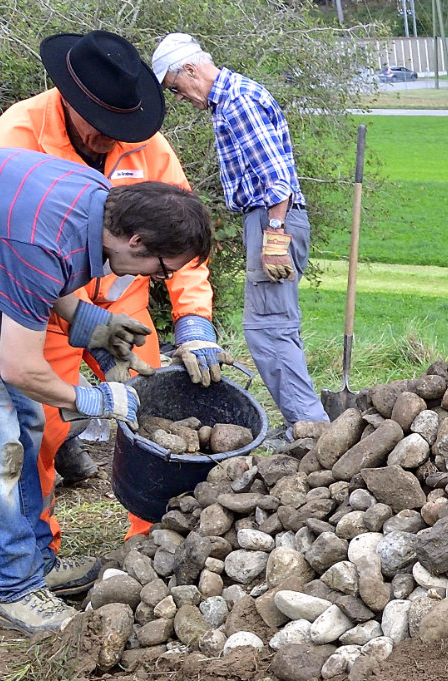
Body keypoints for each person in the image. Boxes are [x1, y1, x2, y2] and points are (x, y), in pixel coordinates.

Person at [0, 148, 213, 636]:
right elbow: (19, 366)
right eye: (160, 267)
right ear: (135, 239)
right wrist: (96, 400)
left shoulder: (98, 207)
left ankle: (36, 564)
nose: (155, 278)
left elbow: (40, 270)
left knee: (26, 420)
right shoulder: (42, 235)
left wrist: (90, 322)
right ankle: (12, 591)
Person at [0, 30, 229, 547]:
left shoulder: (148, 145)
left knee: (157, 408)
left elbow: (182, 237)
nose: (111, 138)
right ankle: (38, 548)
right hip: (47, 309)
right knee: (41, 429)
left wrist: (194, 320)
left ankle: (154, 534)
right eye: (101, 127)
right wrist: (79, 329)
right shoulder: (17, 136)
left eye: (123, 127)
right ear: (67, 101)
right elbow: (14, 249)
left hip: (124, 306)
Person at [151, 33, 326, 427]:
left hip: (271, 217)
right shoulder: (232, 99)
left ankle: (310, 428)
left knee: (267, 331)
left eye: (176, 88)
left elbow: (278, 179)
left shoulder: (237, 103)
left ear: (191, 70)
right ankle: (308, 423)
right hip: (269, 218)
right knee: (277, 326)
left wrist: (275, 238)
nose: (179, 98)